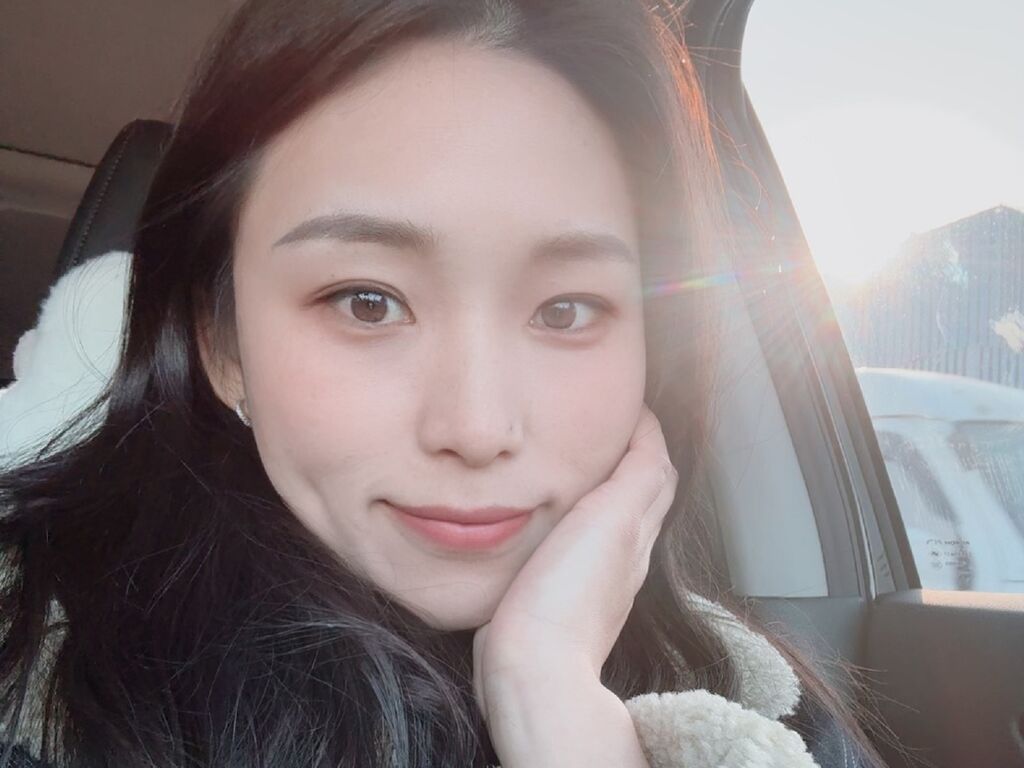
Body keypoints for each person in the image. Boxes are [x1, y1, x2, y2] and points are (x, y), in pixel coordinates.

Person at [0, 1, 898, 766]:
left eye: (566, 311)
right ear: (221, 341)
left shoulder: (752, 705)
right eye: (367, 302)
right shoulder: (31, 662)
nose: (475, 427)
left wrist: (553, 699)